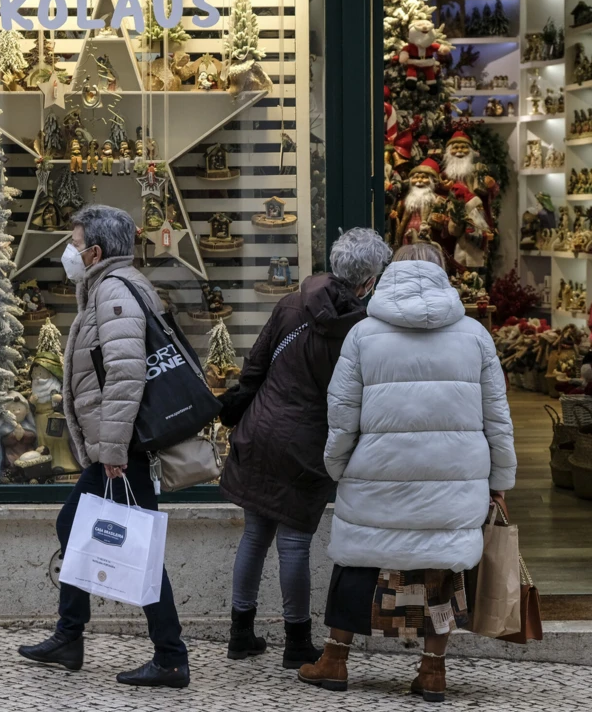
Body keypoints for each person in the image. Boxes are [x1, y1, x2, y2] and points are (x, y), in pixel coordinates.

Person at [298, 244, 516, 703]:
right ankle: (432, 672)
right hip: (453, 479)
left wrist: (338, 466)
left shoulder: (363, 334)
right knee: (441, 571)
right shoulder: (475, 335)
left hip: (378, 475)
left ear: (390, 272)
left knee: (359, 562)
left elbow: (341, 413)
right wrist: (500, 481)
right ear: (442, 274)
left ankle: (335, 660)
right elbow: (498, 417)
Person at [17, 205, 190, 688]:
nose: (69, 251)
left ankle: (170, 656)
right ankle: (70, 635)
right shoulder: (108, 287)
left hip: (122, 446)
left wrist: (111, 449)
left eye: (73, 243)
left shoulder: (114, 292)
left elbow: (127, 375)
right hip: (114, 444)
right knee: (73, 523)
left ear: (94, 251)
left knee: (137, 546)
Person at [217, 227, 392, 669]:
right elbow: (356, 398)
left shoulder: (292, 303)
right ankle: (297, 642)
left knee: (254, 536)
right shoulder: (364, 331)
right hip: (308, 444)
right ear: (368, 281)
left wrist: (236, 411)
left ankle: (241, 633)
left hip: (261, 430)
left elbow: (254, 364)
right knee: (294, 544)